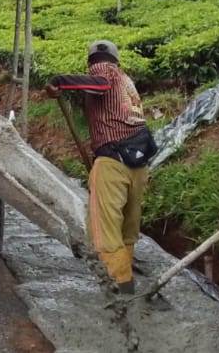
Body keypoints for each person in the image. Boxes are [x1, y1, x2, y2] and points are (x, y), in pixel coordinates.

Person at [45, 40, 156, 296]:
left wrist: (59, 81)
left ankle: (123, 287)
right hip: (138, 162)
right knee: (128, 227)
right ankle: (126, 271)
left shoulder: (104, 71)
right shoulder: (126, 80)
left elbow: (100, 83)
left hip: (113, 162)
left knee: (104, 231)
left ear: (91, 62)